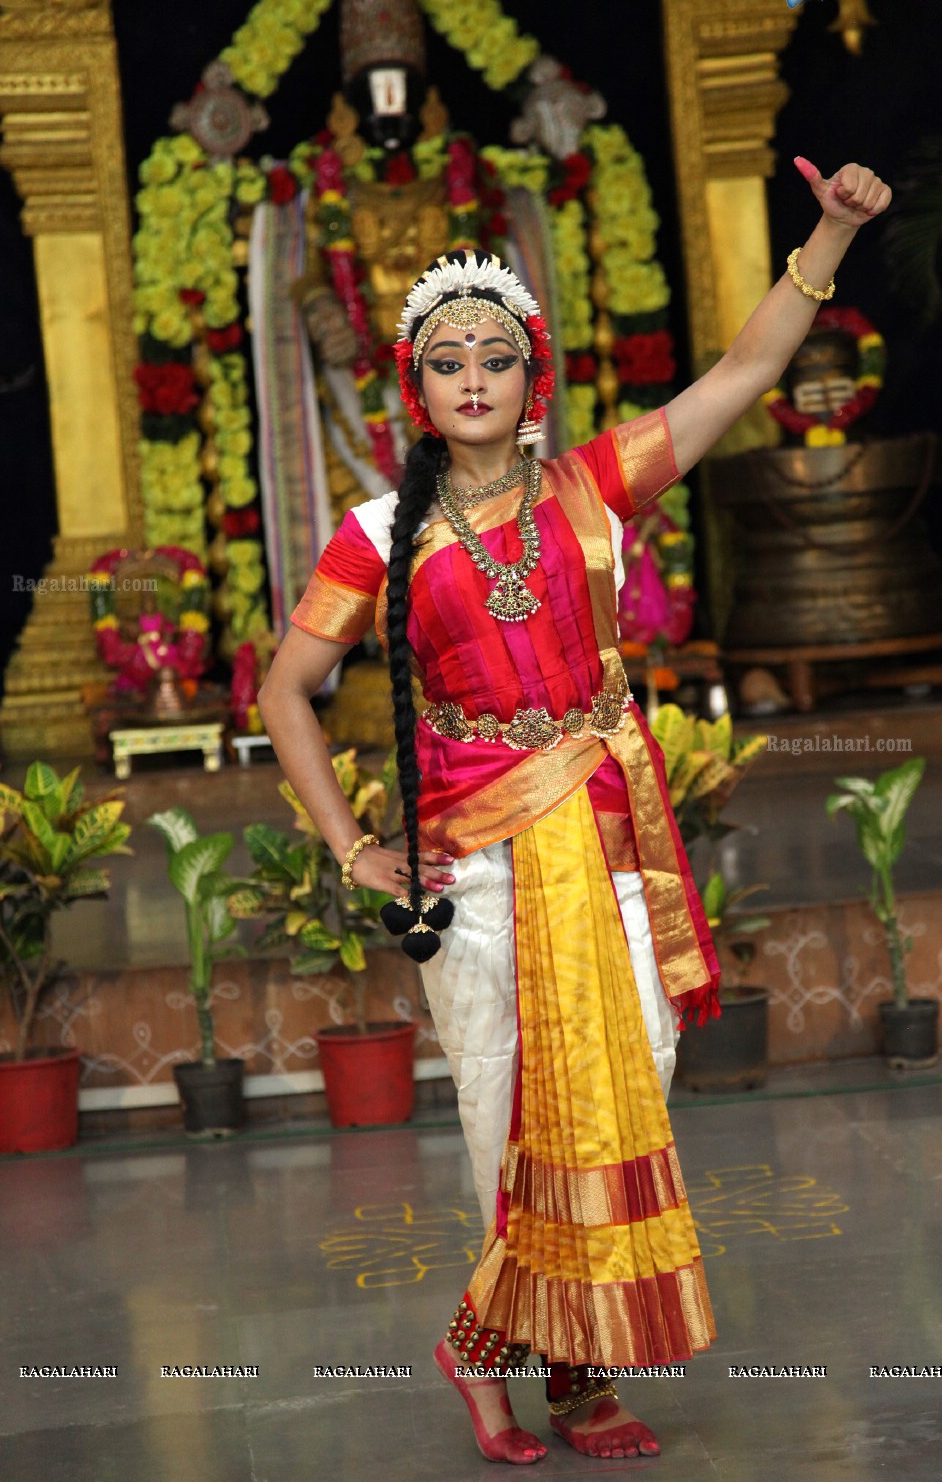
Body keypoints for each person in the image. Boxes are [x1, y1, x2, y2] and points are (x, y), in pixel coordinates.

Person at [257, 155, 891, 1464]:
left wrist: (826, 235)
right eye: (449, 361)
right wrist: (351, 846)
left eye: (496, 354)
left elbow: (741, 379)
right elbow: (284, 692)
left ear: (528, 378)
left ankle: (555, 1365)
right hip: (477, 863)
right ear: (419, 390)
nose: (474, 377)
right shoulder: (378, 535)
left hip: (602, 838)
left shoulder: (592, 486)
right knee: (515, 1121)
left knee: (623, 1100)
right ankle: (521, 1366)